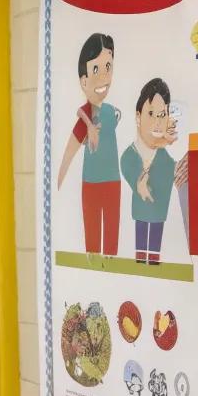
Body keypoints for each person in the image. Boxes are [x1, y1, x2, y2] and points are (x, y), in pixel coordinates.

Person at [56, 32, 121, 256]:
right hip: (91, 184)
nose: (103, 76)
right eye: (96, 69)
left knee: (111, 243)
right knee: (92, 244)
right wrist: (59, 183)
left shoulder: (112, 112)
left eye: (108, 67)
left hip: (113, 181)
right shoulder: (86, 115)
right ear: (84, 81)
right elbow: (69, 153)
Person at [120, 78, 180, 265]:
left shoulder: (163, 155)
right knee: (141, 248)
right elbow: (127, 166)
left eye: (162, 115)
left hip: (158, 213)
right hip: (141, 212)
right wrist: (139, 184)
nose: (157, 122)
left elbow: (172, 169)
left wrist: (181, 167)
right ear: (138, 117)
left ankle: (152, 262)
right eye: (151, 113)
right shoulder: (131, 154)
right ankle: (141, 261)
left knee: (154, 251)